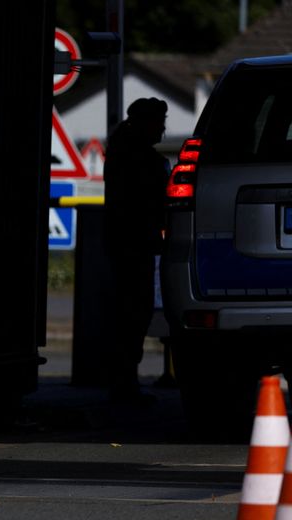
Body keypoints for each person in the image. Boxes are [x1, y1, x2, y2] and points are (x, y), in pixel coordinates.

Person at [103, 97, 170, 404]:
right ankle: (125, 382)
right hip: (136, 245)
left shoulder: (119, 152)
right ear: (146, 124)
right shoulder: (143, 161)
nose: (164, 129)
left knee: (127, 314)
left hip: (125, 243)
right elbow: (154, 205)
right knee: (134, 313)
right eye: (159, 122)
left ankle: (124, 380)